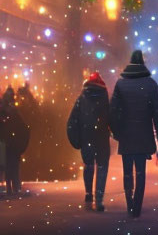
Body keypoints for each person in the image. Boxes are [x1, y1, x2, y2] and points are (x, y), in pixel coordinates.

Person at [109, 50, 158, 219]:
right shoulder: (151, 84)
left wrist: (116, 131)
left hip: (126, 134)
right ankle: (137, 207)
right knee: (140, 172)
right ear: (142, 63)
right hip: (143, 134)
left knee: (127, 172)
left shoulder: (120, 84)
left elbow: (113, 111)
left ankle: (129, 202)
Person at [67, 71, 111, 211]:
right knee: (102, 167)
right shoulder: (105, 98)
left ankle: (88, 193)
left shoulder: (82, 98)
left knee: (89, 165)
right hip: (102, 137)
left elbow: (73, 120)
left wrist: (76, 139)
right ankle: (99, 200)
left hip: (87, 137)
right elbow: (112, 117)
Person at [2, 86, 30, 195]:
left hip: (7, 141)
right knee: (14, 164)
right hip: (13, 142)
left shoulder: (4, 110)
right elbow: (23, 127)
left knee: (8, 164)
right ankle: (15, 185)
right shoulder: (14, 111)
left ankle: (10, 185)